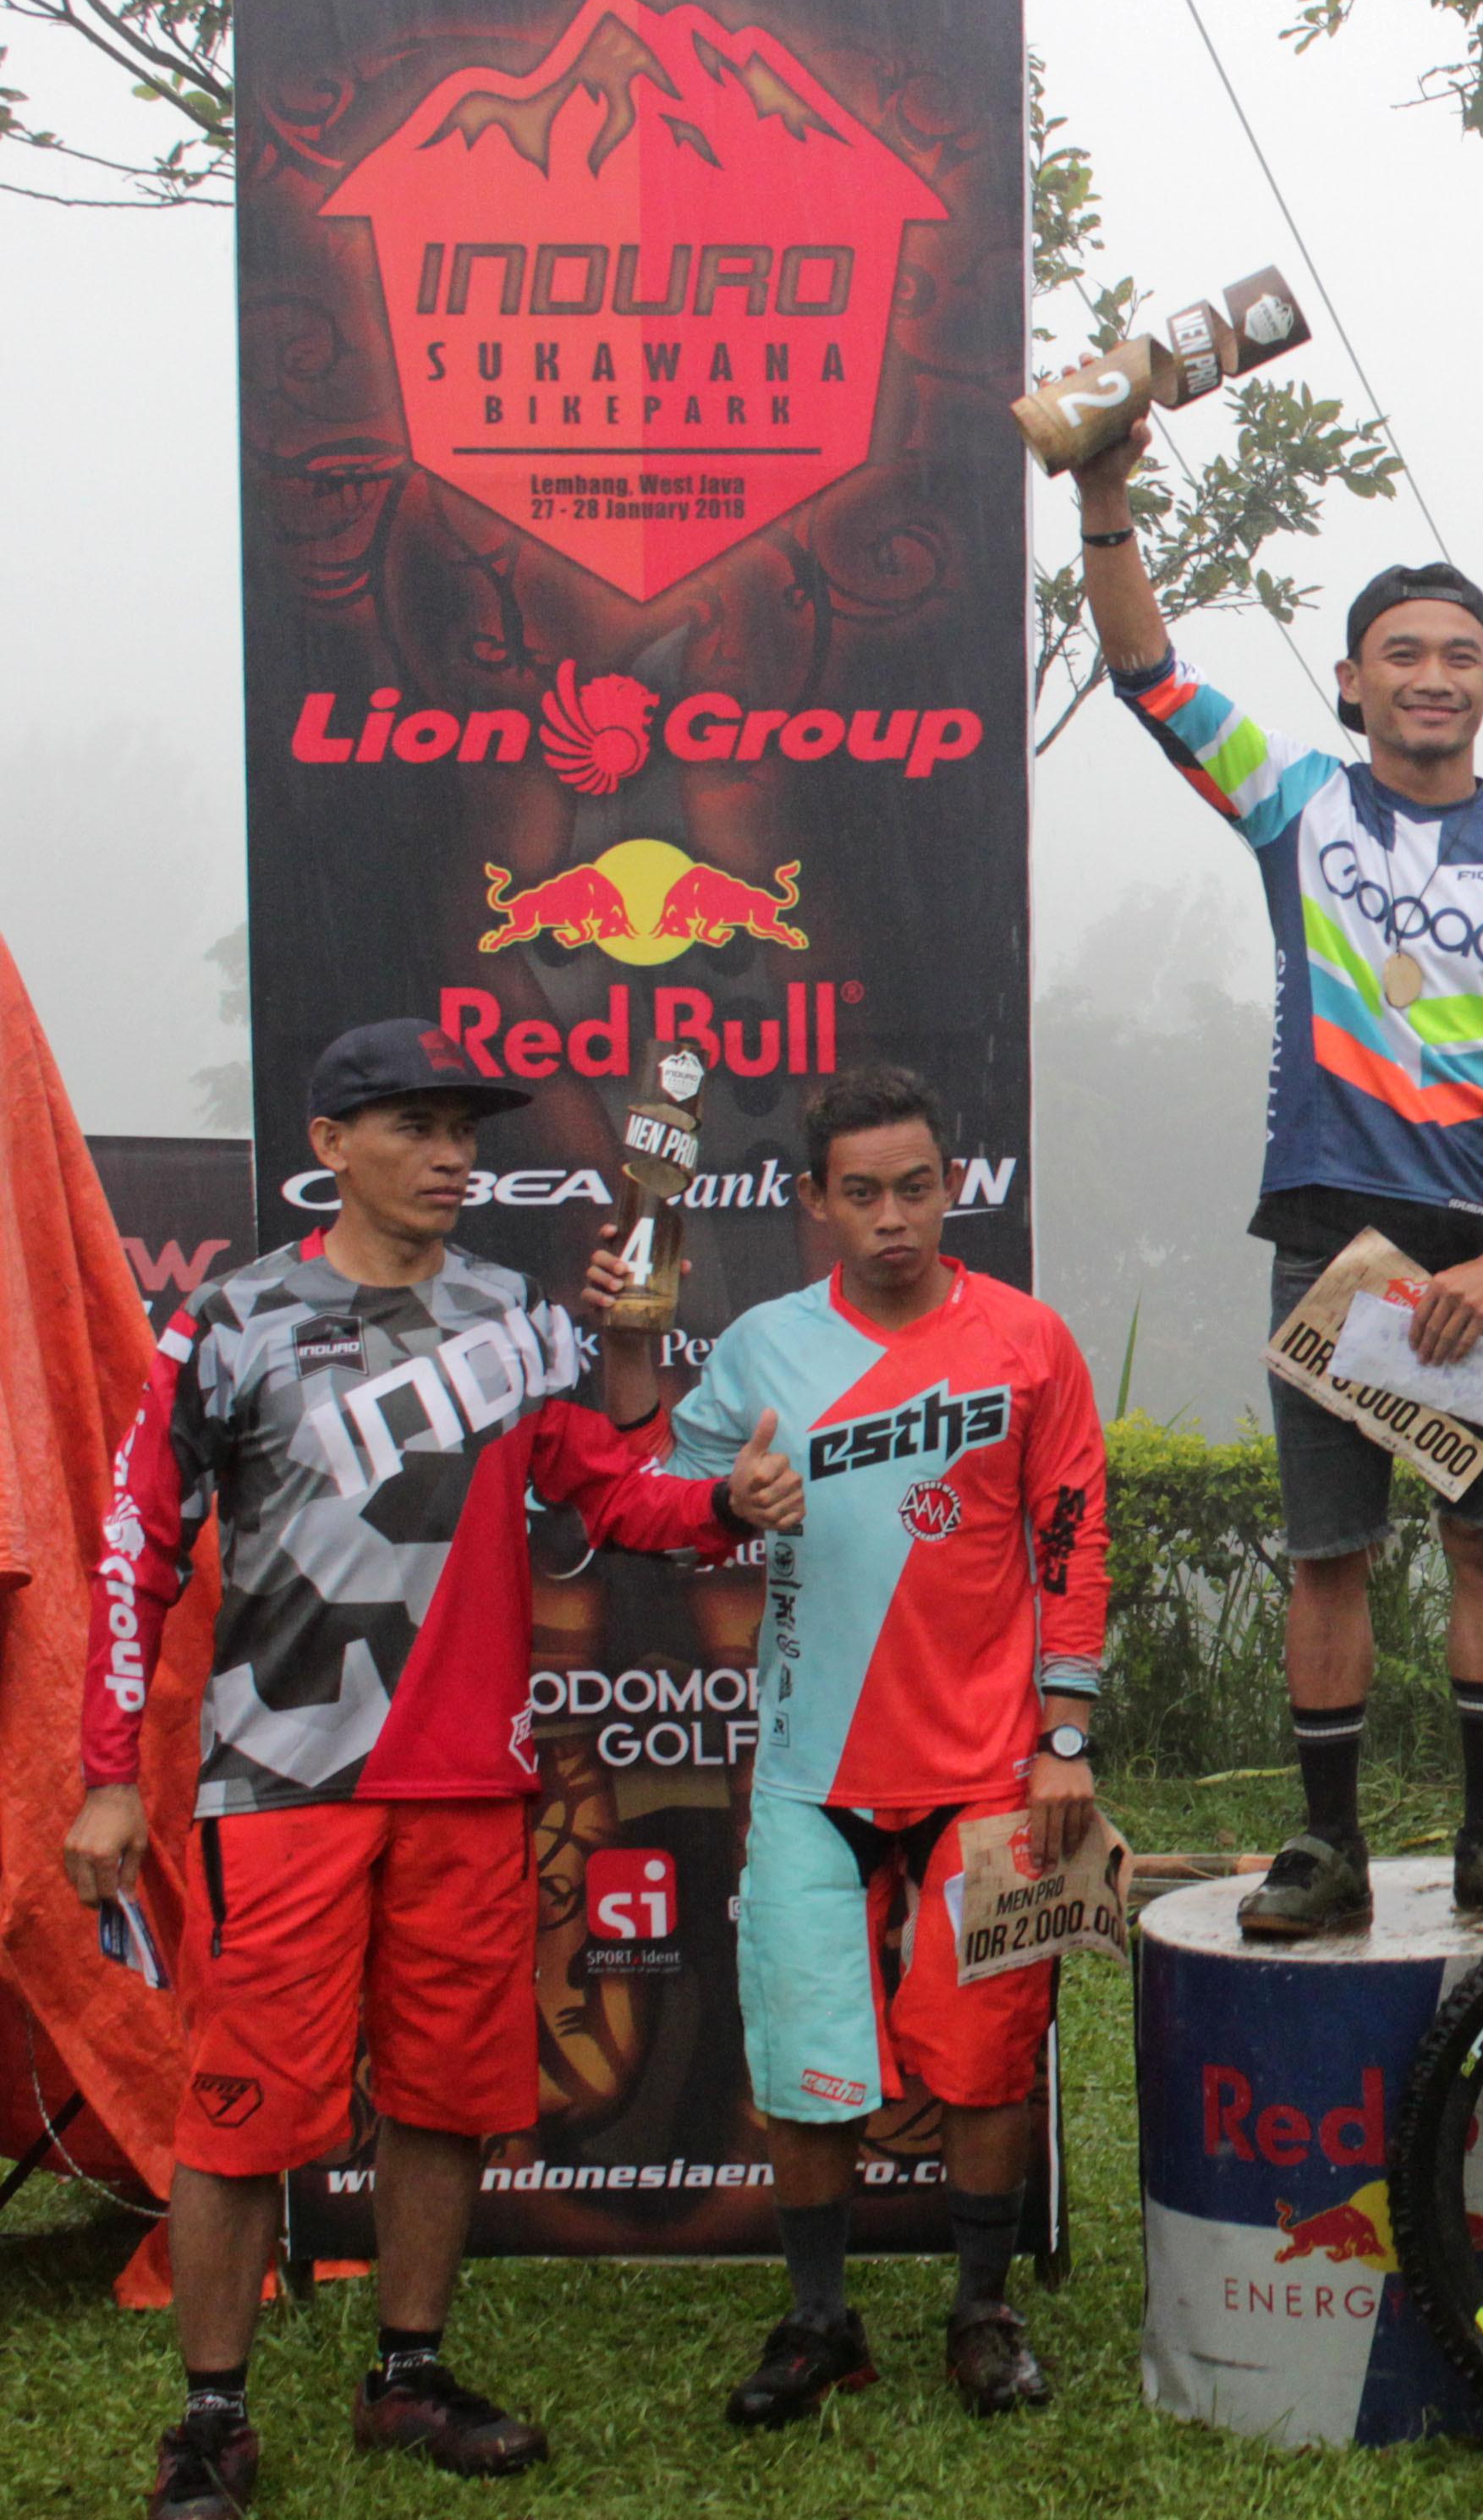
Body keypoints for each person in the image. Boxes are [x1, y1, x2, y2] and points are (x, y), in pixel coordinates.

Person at [62, 1019, 799, 2520]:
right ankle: (211, 2416)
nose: (453, 1154)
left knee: (448, 2100)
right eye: (414, 1127)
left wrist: (725, 1501)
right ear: (332, 1148)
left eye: (466, 1130)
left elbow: (607, 1494)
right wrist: (109, 1776)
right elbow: (136, 1549)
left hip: (469, 1783)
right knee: (243, 2109)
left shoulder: (520, 1323)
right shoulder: (230, 1322)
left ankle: (407, 2373)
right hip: (282, 1786)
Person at [1073, 416, 1483, 1931]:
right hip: (1333, 1246)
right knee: (1331, 1559)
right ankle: (1323, 1850)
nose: (1431, 674)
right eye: (1401, 651)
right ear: (1353, 677)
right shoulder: (1301, 806)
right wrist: (1105, 495)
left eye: (1459, 653)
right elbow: (1152, 681)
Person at [612, 1068, 1107, 2424]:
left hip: (996, 1775)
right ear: (813, 1202)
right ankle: (820, 2320)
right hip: (808, 1777)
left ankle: (981, 2312)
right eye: (864, 1194)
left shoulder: (1032, 1343)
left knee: (986, 2060)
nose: (895, 1218)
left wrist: (1066, 1733)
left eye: (918, 1188)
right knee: (812, 2061)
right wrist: (726, 1497)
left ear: (952, 1187)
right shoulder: (767, 1345)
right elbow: (643, 1493)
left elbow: (1073, 1540)